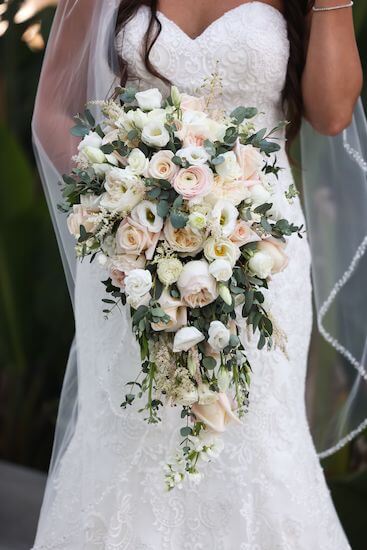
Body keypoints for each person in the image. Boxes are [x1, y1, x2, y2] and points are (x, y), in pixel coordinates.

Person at [32, 1, 364, 548]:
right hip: (131, 254)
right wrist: (121, 203)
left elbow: (331, 113)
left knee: (253, 435)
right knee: (130, 431)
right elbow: (53, 111)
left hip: (261, 252)